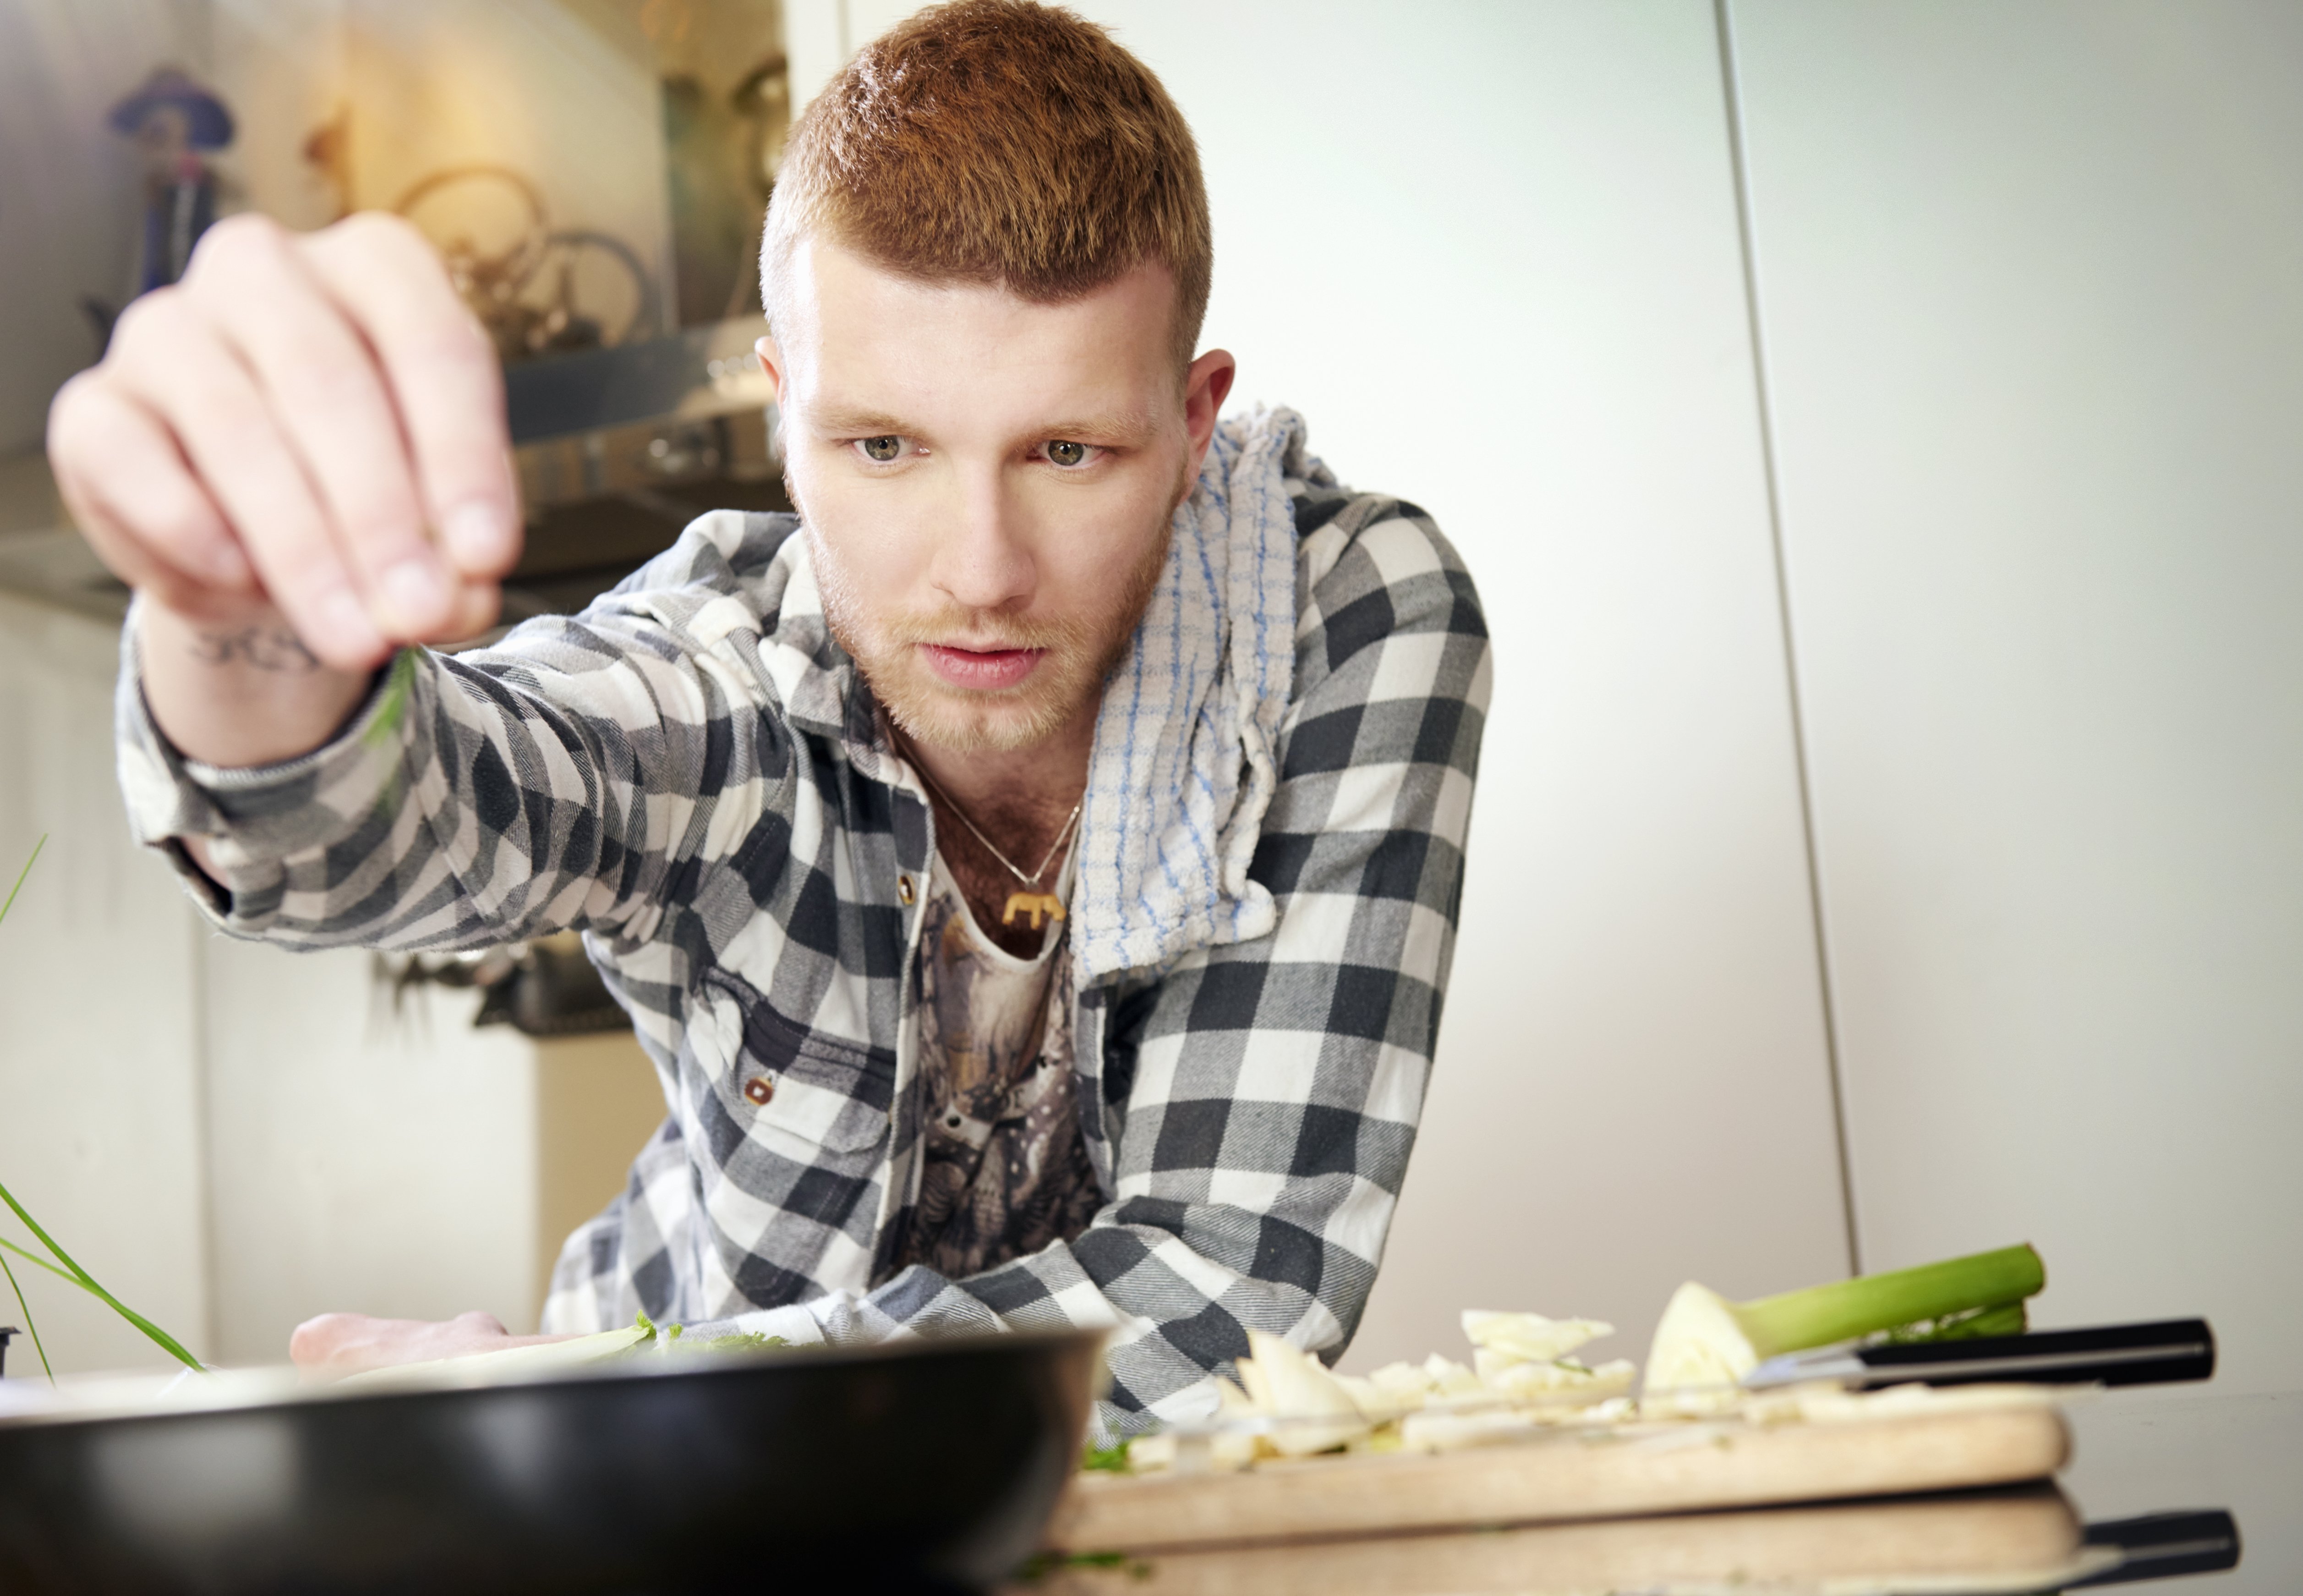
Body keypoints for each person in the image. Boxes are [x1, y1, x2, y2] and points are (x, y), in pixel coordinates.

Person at [51, 0, 1488, 1435]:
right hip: (677, 1483)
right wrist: (230, 608)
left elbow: (1225, 1296)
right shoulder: (718, 674)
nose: (980, 573)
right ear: (780, 412)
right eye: (882, 446)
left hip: (712, 1414)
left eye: (1067, 450)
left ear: (1192, 424)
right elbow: (356, 831)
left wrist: (631, 1387)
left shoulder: (1343, 614)